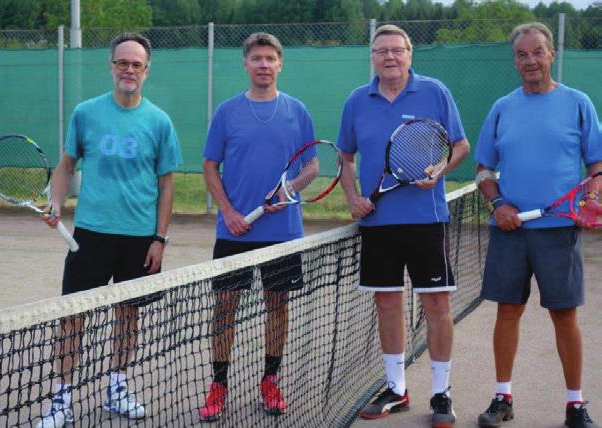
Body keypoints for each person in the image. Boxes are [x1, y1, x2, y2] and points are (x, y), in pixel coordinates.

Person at [36, 32, 183, 428]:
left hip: (139, 238)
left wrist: (159, 239)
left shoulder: (159, 121)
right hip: (91, 234)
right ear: (111, 66)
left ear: (146, 71)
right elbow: (67, 165)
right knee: (72, 317)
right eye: (122, 62)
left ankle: (116, 387)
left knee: (127, 315)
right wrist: (55, 203)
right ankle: (61, 401)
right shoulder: (86, 113)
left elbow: (167, 183)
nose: (129, 70)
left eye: (136, 64)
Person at [337, 24, 470, 427]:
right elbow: (345, 157)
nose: (390, 57)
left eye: (397, 50)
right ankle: (396, 389)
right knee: (388, 303)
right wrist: (352, 198)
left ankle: (442, 393)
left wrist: (441, 167)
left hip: (426, 221)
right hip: (378, 225)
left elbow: (460, 145)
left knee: (437, 305)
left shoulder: (435, 92)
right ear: (373, 57)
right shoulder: (357, 100)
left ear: (410, 54)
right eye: (382, 51)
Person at [474, 22, 600, 428]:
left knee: (564, 315)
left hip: (560, 231)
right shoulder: (502, 107)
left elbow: (596, 166)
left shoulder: (578, 103)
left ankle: (575, 404)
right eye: (522, 54)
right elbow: (483, 171)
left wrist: (595, 194)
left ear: (551, 55)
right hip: (510, 231)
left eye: (537, 52)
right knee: (507, 310)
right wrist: (497, 205)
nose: (530, 60)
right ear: (515, 61)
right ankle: (502, 397)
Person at [199, 32, 316, 421]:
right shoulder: (227, 112)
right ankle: (218, 385)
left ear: (280, 64)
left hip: (282, 233)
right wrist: (229, 211)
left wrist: (290, 188)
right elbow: (209, 167)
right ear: (246, 64)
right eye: (257, 59)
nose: (264, 65)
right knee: (225, 309)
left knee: (277, 307)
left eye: (270, 59)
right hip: (234, 233)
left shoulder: (297, 111)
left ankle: (270, 381)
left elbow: (312, 167)